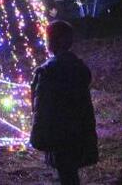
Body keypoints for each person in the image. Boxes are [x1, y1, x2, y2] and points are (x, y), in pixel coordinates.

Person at [30, 20, 98, 185]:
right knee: (69, 172)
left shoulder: (47, 72)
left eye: (48, 38)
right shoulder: (78, 67)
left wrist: (39, 135)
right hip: (78, 130)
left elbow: (41, 107)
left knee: (66, 173)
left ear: (55, 41)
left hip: (59, 133)